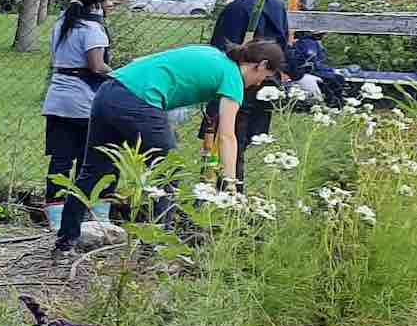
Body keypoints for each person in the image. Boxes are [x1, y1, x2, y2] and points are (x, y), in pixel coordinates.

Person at [55, 40, 286, 254]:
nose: (258, 83)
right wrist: (231, 185)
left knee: (93, 172)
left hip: (109, 91)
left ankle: (65, 243)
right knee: (168, 174)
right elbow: (227, 136)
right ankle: (154, 250)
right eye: (264, 77)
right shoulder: (233, 77)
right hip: (140, 101)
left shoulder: (212, 55)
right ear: (261, 65)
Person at [203, 0, 288, 178]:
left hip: (238, 83)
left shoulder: (236, 9)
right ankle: (229, 186)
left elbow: (221, 54)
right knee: (239, 140)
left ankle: (227, 188)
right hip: (265, 84)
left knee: (227, 137)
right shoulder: (277, 4)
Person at [41, 0, 115, 228]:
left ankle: (55, 215)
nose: (111, 4)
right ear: (96, 2)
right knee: (96, 159)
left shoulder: (63, 22)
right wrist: (121, 74)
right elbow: (96, 66)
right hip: (85, 102)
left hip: (57, 99)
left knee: (60, 159)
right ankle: (97, 214)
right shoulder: (93, 29)